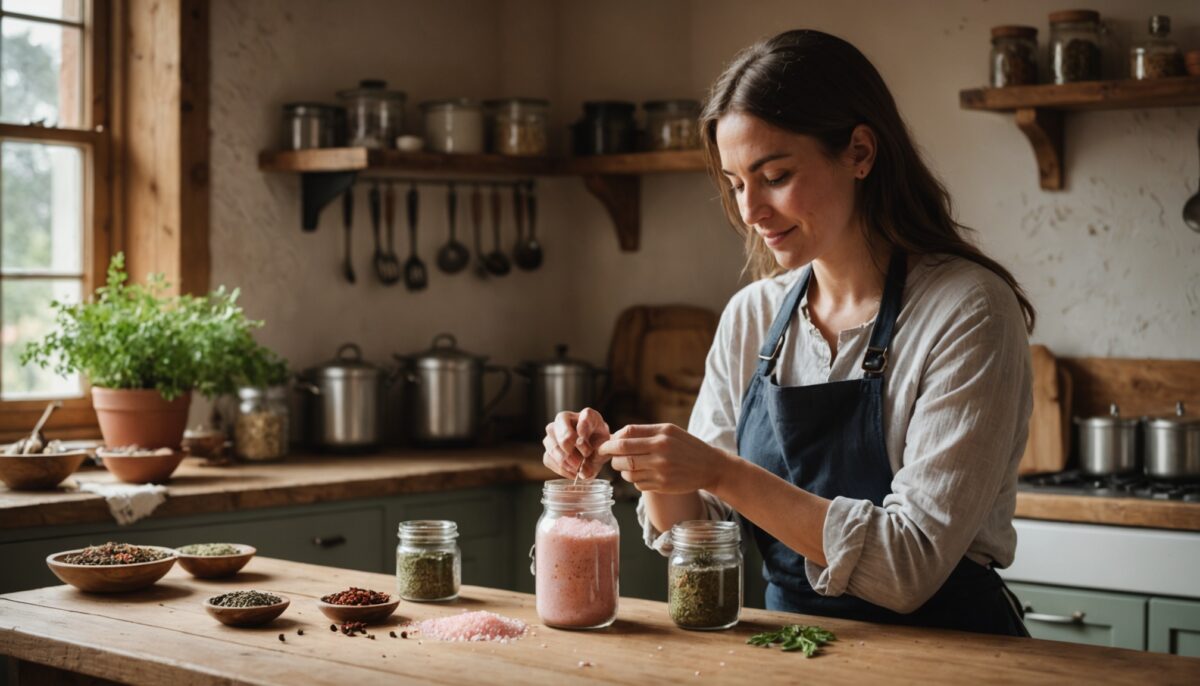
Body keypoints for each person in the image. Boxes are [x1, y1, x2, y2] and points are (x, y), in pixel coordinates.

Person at [542, 29, 1036, 637]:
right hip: (794, 650)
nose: (749, 211)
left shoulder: (968, 311)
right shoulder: (753, 314)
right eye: (735, 184)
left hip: (953, 657)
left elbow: (910, 565)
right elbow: (700, 533)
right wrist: (651, 464)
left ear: (859, 152)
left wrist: (717, 469)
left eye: (773, 175)